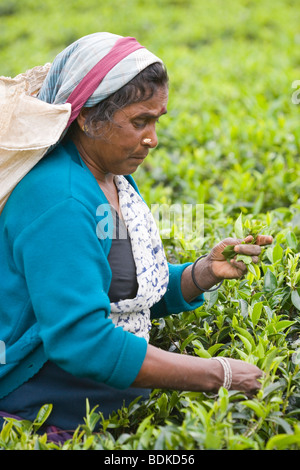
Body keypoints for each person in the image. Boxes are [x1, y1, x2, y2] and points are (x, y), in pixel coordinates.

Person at [0, 32, 273, 438]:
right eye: (139, 122)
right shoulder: (62, 199)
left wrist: (201, 274)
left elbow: (119, 293)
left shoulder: (111, 177)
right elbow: (83, 342)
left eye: (157, 121)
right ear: (88, 117)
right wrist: (217, 373)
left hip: (110, 408)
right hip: (47, 415)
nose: (153, 139)